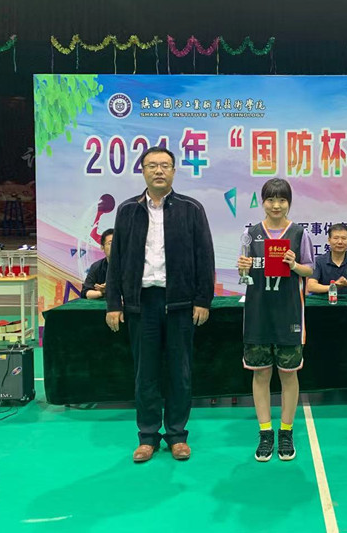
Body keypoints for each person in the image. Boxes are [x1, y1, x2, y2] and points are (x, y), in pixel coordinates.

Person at [106, 147, 215, 463]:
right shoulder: (128, 210)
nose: (158, 171)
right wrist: (114, 303)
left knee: (180, 372)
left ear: (174, 171)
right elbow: (117, 260)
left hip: (180, 303)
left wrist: (203, 300)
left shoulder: (191, 209)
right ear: (142, 170)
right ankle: (148, 437)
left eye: (165, 165)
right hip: (142, 303)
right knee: (146, 373)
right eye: (152, 165)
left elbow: (204, 256)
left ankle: (177, 436)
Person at [237, 178, 314, 462]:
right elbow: (243, 275)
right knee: (260, 374)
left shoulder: (299, 234)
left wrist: (294, 265)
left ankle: (286, 431)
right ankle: (265, 432)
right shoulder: (250, 234)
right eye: (270, 199)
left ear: (289, 203)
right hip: (258, 314)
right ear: (263, 202)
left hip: (289, 314)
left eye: (282, 200)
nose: (276, 205)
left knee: (289, 374)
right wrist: (242, 267)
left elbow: (309, 270)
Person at [306, 222, 347, 295]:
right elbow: (311, 286)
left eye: (344, 238)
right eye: (336, 238)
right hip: (324, 301)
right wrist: (333, 287)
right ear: (329, 240)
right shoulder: (318, 261)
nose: (340, 242)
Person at [82, 228, 113, 299]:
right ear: (102, 247)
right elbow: (86, 293)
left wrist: (112, 289)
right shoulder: (96, 267)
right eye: (110, 243)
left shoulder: (130, 266)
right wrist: (102, 292)